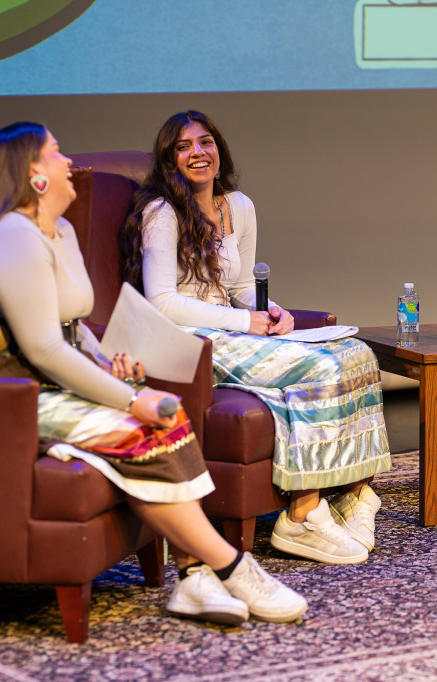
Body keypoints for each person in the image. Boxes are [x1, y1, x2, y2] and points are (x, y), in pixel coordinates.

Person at [0, 122, 307, 625]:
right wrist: (129, 399)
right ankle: (229, 566)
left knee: (171, 418)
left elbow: (70, 328)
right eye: (56, 155)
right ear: (33, 176)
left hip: (33, 372)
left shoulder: (62, 228)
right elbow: (44, 348)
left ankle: (192, 581)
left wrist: (105, 364)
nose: (69, 162)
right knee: (136, 426)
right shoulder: (12, 236)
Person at [120, 111, 391, 564]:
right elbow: (162, 302)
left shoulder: (238, 206)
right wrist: (247, 323)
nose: (198, 153)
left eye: (205, 142)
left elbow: (242, 286)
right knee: (320, 366)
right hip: (185, 340)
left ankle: (355, 495)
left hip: (229, 326)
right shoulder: (161, 213)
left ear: (219, 149)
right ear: (169, 161)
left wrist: (271, 311)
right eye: (183, 147)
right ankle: (302, 517)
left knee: (356, 353)